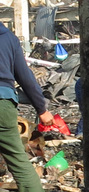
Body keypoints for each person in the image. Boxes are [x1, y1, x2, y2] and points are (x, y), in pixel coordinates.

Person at [0, 23, 53, 192]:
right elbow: (25, 76)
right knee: (17, 160)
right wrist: (42, 109)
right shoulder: (8, 37)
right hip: (4, 101)